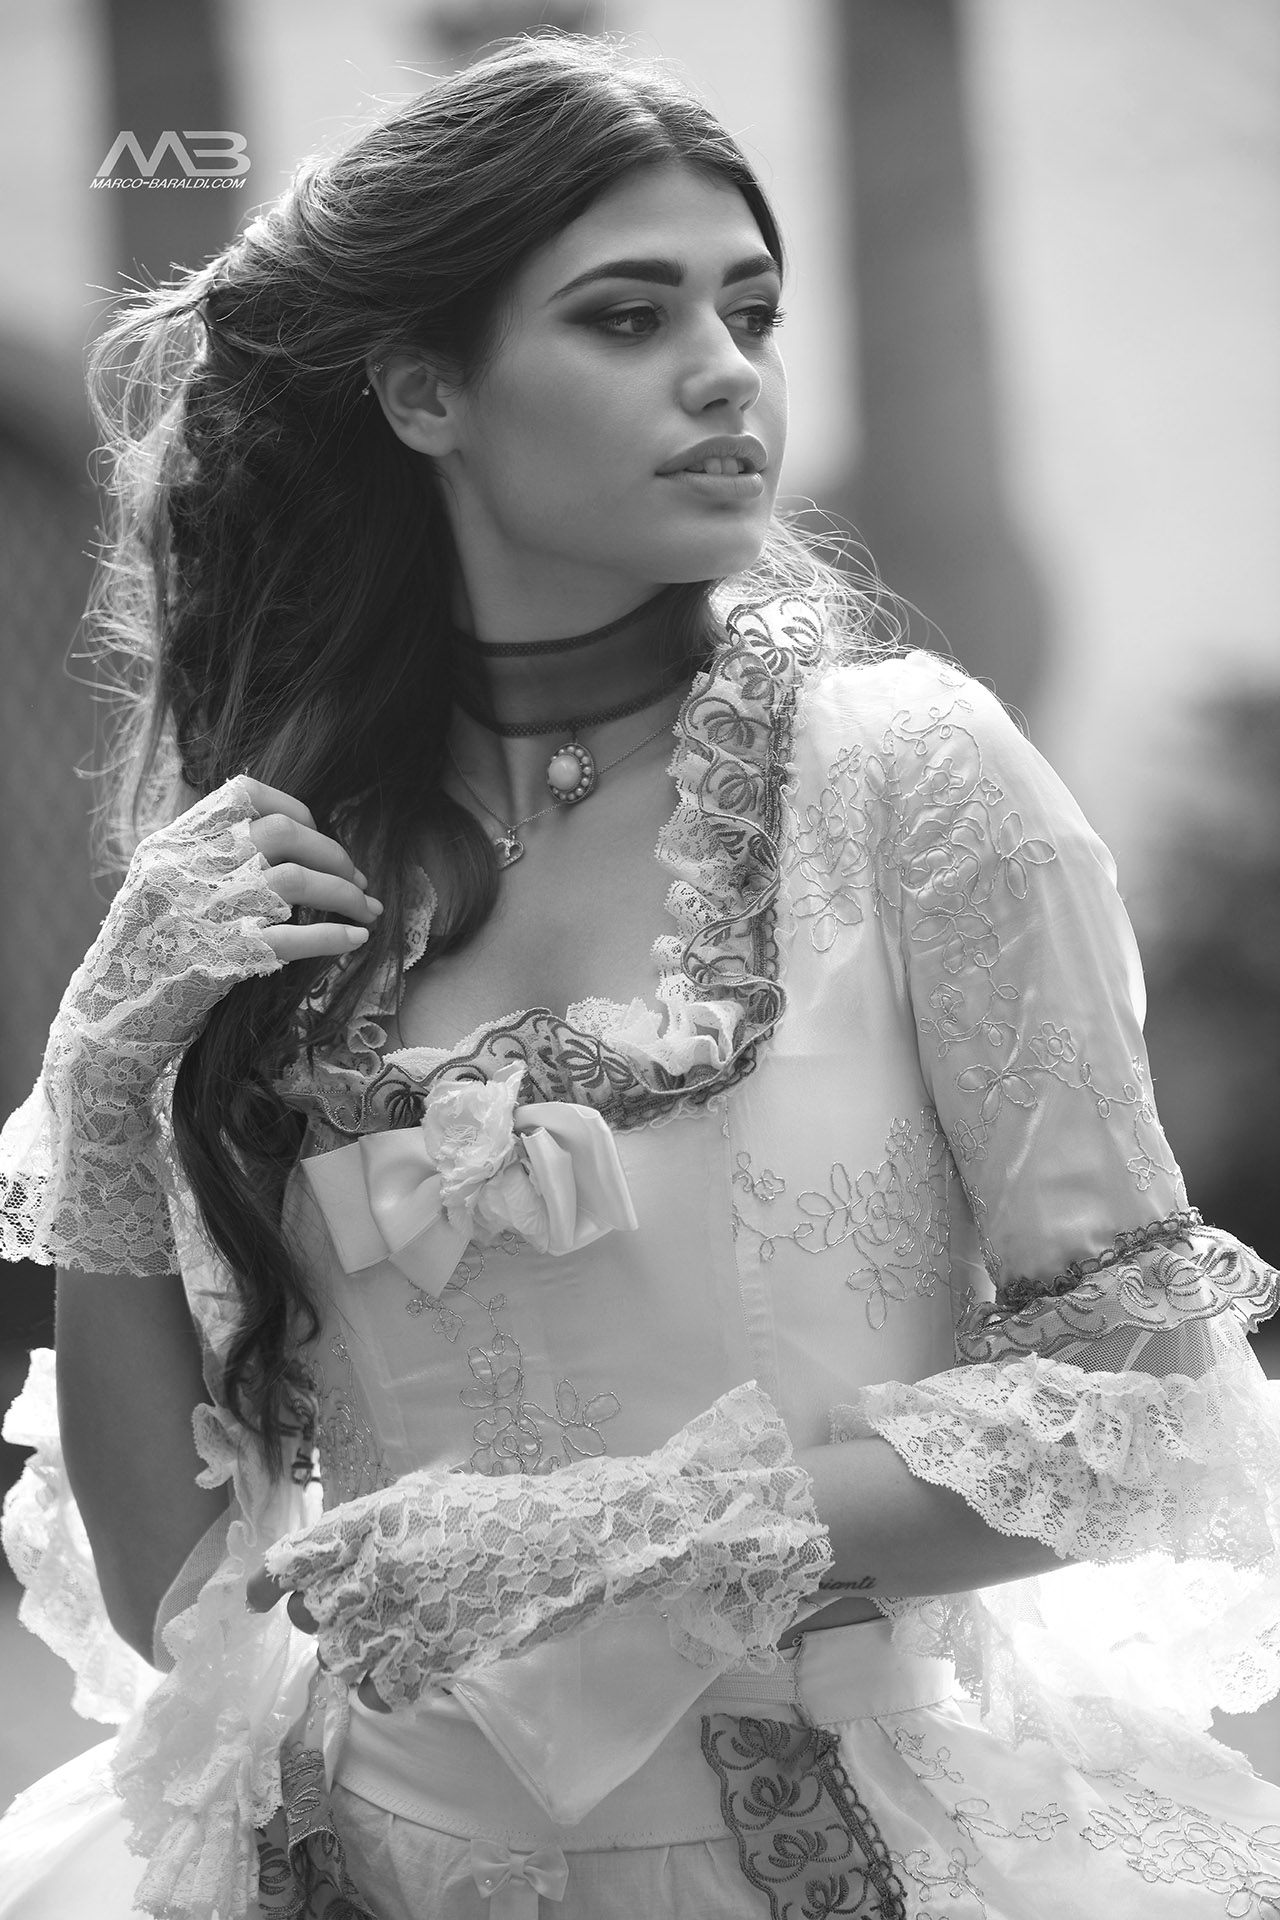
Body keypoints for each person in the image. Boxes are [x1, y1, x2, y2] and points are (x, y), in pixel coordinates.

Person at [2, 30, 1279, 1920]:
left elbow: (1147, 1409)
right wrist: (107, 1079)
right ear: (423, 388)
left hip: (854, 1846)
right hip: (349, 1863)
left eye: (749, 313)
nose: (725, 372)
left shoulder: (907, 780)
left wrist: (604, 1539)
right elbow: (184, 1604)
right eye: (627, 317)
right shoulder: (283, 869)